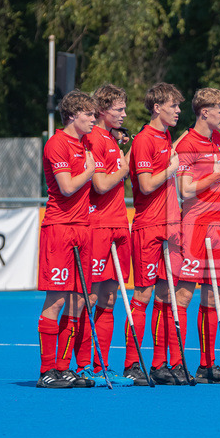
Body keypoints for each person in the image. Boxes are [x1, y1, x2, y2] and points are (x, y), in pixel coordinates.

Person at [174, 88, 220, 383]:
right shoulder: (187, 143)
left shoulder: (215, 139)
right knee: (185, 294)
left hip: (218, 225)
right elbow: (185, 190)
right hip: (195, 226)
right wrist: (217, 173)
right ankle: (175, 362)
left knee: (213, 295)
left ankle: (207, 364)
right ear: (204, 112)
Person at [35, 91, 98, 388]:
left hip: (83, 228)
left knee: (77, 301)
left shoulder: (84, 143)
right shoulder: (57, 143)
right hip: (60, 228)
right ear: (73, 115)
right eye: (89, 115)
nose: (94, 119)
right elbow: (67, 187)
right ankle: (47, 371)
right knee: (57, 298)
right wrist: (89, 171)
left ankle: (62, 368)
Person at [130, 83, 186, 385]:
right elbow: (147, 184)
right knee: (143, 295)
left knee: (168, 297)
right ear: (156, 108)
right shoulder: (144, 140)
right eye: (173, 105)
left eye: (178, 106)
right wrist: (172, 168)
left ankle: (160, 363)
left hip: (170, 226)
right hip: (149, 226)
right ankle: (132, 362)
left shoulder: (166, 137)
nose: (178, 111)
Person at [82, 83, 135, 386]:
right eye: (119, 109)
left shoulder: (110, 140)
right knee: (90, 296)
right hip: (99, 225)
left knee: (110, 296)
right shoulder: (94, 139)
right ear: (102, 110)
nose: (124, 115)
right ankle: (82, 364)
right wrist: (125, 168)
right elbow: (100, 185)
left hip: (118, 223)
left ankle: (101, 364)